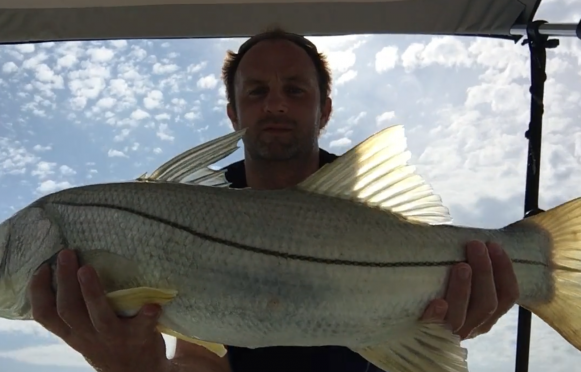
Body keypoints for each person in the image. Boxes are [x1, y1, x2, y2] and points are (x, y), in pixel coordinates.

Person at [27, 28, 520, 372]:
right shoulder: (191, 202)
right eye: (257, 91)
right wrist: (140, 369)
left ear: (325, 109)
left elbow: (432, 327)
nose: (276, 104)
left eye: (295, 90)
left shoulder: (370, 199)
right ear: (232, 111)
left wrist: (452, 322)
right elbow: (202, 362)